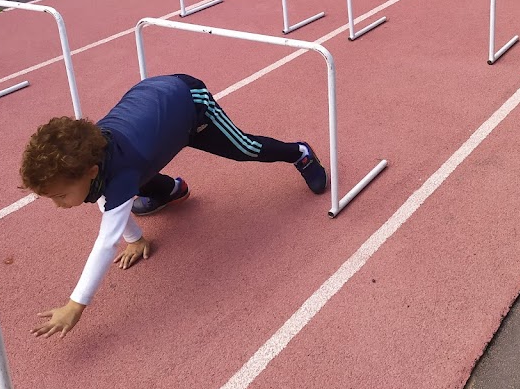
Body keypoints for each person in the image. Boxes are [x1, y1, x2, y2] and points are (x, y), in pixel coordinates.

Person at [19, 74, 327, 338]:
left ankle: (299, 153)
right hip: (156, 118)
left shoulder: (116, 171)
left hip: (189, 104)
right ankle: (172, 190)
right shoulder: (95, 163)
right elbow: (107, 199)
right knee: (132, 174)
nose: (58, 205)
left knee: (245, 148)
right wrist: (135, 239)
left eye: (60, 196)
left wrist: (75, 306)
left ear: (91, 172)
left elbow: (106, 240)